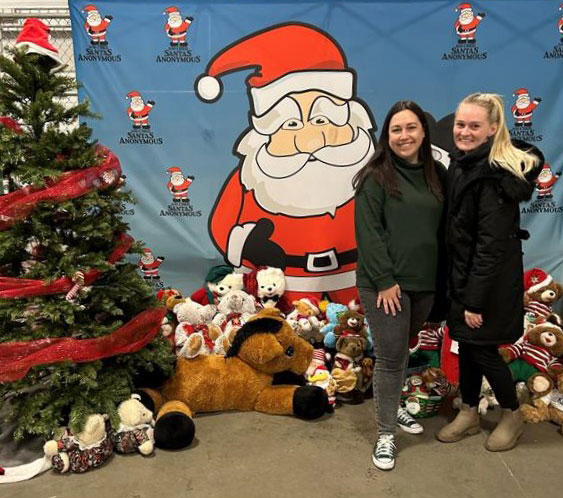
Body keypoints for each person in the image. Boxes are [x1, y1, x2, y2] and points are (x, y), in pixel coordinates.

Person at [436, 93, 543, 451]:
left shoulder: (494, 174)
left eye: (474, 126)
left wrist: (473, 300)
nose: (464, 132)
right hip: (464, 279)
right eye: (460, 124)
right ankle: (468, 410)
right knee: (466, 347)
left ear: (494, 129)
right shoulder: (465, 162)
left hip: (487, 286)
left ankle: (512, 413)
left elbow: (490, 246)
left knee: (481, 350)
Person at [354, 100, 446, 470]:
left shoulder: (437, 173)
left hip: (425, 282)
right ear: (386, 136)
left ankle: (393, 409)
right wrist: (385, 282)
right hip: (384, 285)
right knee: (391, 358)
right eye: (396, 129)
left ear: (423, 132)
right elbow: (368, 233)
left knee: (403, 348)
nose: (404, 136)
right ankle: (386, 433)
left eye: (411, 128)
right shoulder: (376, 176)